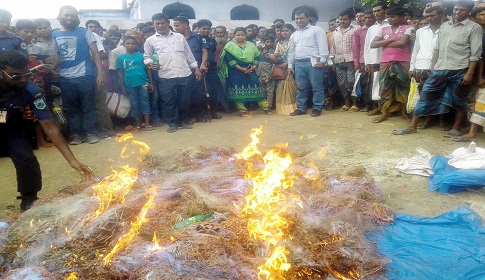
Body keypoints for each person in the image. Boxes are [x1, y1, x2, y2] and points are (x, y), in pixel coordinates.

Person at [0, 50, 94, 210]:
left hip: (11, 124)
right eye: (16, 77)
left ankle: (29, 199)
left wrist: (72, 161)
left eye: (26, 74)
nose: (23, 80)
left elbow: (49, 126)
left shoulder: (30, 90)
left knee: (26, 159)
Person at [393, 1, 482, 136]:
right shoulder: (445, 26)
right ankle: (412, 126)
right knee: (425, 96)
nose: (457, 13)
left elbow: (475, 54)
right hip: (440, 68)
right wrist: (433, 68)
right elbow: (437, 49)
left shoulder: (474, 28)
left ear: (469, 12)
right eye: (456, 10)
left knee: (459, 100)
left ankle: (455, 128)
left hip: (460, 68)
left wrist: (469, 73)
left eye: (462, 10)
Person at [52, 5, 104, 145]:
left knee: (88, 106)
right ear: (60, 16)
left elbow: (95, 54)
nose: (69, 18)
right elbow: (58, 56)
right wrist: (52, 69)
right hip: (65, 77)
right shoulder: (55, 34)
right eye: (66, 15)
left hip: (85, 75)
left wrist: (100, 73)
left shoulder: (85, 32)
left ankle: (90, 133)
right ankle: (76, 134)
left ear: (76, 17)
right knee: (70, 108)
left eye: (72, 15)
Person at [143, 13, 201, 133]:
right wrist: (149, 63)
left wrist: (196, 68)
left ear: (168, 24)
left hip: (184, 73)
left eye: (162, 23)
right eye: (157, 23)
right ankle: (172, 123)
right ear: (154, 25)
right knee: (168, 101)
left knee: (184, 100)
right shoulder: (150, 40)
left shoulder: (179, 37)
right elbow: (146, 56)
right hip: (165, 74)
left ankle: (183, 121)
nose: (160, 25)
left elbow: (188, 54)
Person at [371, 7, 414, 123]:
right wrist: (391, 40)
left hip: (403, 61)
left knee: (403, 87)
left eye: (393, 17)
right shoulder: (383, 29)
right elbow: (373, 44)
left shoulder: (409, 28)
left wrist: (384, 43)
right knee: (385, 87)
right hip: (385, 61)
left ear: (401, 18)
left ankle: (403, 112)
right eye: (388, 17)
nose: (389, 19)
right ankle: (384, 113)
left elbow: (402, 42)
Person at [219, 27, 271, 117]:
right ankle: (242, 110)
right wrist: (241, 69)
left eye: (242, 35)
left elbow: (257, 57)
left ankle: (265, 108)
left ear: (246, 35)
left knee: (257, 88)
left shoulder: (251, 45)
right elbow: (229, 59)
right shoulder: (229, 46)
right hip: (235, 71)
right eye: (237, 35)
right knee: (237, 89)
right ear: (234, 36)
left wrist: (254, 67)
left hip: (251, 69)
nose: (240, 37)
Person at [451, 6, 485, 142]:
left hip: (477, 74)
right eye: (482, 14)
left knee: (481, 101)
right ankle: (472, 128)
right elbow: (481, 58)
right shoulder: (479, 33)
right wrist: (479, 76)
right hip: (474, 72)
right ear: (475, 17)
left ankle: (472, 132)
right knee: (472, 101)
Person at [407, 6, 443, 130]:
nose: (429, 18)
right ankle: (427, 119)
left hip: (439, 66)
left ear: (441, 15)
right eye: (427, 16)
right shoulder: (420, 31)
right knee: (424, 95)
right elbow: (415, 50)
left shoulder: (447, 30)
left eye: (432, 15)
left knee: (440, 95)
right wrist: (412, 67)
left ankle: (440, 120)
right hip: (421, 66)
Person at [287, 9, 329, 117]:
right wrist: (290, 65)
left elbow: (323, 46)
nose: (299, 20)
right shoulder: (294, 35)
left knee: (317, 86)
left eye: (301, 18)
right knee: (301, 87)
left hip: (314, 62)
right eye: (297, 19)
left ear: (307, 18)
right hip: (299, 63)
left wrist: (323, 61)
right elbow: (291, 51)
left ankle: (317, 108)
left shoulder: (316, 30)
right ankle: (301, 108)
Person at [173, 15, 208, 123]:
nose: (175, 28)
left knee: (198, 93)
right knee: (184, 95)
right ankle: (186, 116)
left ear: (185, 25)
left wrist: (203, 64)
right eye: (174, 26)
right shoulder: (174, 38)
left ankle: (199, 115)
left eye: (177, 25)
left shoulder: (198, 38)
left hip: (197, 69)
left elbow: (204, 51)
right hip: (182, 71)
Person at [117, 36, 154, 130]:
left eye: (132, 44)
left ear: (136, 45)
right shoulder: (121, 58)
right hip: (129, 84)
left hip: (143, 82)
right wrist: (122, 86)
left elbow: (148, 70)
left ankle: (147, 123)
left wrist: (151, 82)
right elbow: (120, 73)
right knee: (134, 104)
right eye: (128, 43)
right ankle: (138, 123)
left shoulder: (142, 56)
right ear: (124, 45)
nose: (130, 45)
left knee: (145, 102)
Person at [364, 3, 389, 116]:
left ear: (385, 11)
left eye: (379, 10)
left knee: (387, 85)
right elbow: (367, 46)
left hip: (387, 59)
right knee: (376, 85)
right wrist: (367, 62)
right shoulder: (372, 28)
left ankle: (388, 109)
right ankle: (380, 108)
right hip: (374, 60)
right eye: (374, 11)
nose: (376, 13)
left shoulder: (390, 25)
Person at [197, 19, 226, 118]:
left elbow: (215, 52)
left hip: (212, 68)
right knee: (201, 91)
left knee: (214, 90)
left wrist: (217, 61)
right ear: (198, 29)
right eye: (203, 29)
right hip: (199, 69)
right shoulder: (195, 39)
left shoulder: (212, 40)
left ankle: (212, 111)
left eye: (208, 29)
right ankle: (202, 113)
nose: (206, 31)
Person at [332, 9, 358, 112]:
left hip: (351, 60)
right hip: (338, 61)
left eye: (345, 19)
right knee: (342, 83)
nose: (342, 21)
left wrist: (358, 62)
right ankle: (346, 103)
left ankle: (355, 104)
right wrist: (333, 62)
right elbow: (333, 48)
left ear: (350, 19)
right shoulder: (335, 31)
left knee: (352, 82)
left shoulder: (356, 29)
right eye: (341, 19)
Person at [353, 10, 376, 112]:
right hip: (363, 61)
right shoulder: (358, 31)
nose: (366, 20)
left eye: (369, 18)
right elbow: (356, 48)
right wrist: (356, 63)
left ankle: (376, 105)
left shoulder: (380, 29)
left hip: (377, 60)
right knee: (365, 84)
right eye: (364, 18)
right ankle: (367, 104)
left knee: (375, 83)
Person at [256, 36, 276, 108]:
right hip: (259, 74)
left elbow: (274, 64)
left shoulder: (273, 52)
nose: (269, 43)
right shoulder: (259, 50)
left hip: (268, 74)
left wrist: (272, 75)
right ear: (264, 43)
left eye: (271, 42)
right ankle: (263, 106)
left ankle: (268, 106)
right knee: (262, 92)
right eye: (267, 42)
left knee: (269, 92)